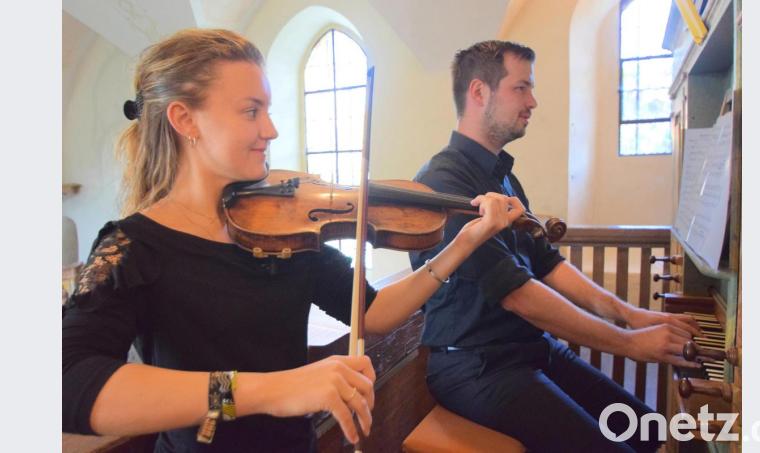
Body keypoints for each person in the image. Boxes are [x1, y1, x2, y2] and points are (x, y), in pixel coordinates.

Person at [62, 29, 525, 453]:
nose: (271, 129)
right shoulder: (134, 247)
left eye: (267, 109)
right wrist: (270, 391)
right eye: (250, 111)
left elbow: (373, 312)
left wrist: (464, 242)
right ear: (185, 119)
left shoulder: (280, 223)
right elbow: (68, 383)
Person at [408, 40, 703, 453]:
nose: (533, 101)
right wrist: (629, 345)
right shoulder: (444, 182)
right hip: (476, 367)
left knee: (648, 430)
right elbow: (518, 295)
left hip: (529, 350)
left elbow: (546, 264)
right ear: (479, 92)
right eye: (521, 88)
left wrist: (631, 316)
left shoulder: (503, 176)